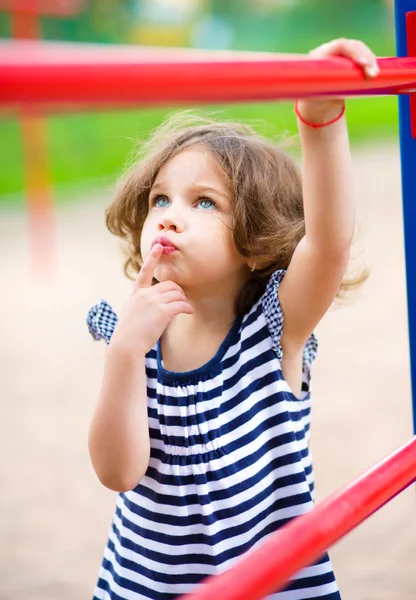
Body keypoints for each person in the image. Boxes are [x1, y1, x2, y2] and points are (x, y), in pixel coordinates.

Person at [86, 38, 379, 600]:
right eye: (160, 200)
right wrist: (124, 352)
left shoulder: (274, 331)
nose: (170, 218)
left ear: (256, 239)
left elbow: (328, 242)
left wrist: (320, 119)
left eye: (203, 203)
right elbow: (118, 473)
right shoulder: (135, 332)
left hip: (270, 586)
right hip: (149, 586)